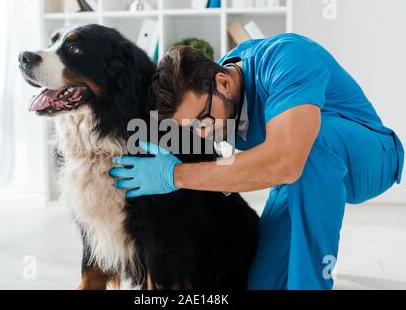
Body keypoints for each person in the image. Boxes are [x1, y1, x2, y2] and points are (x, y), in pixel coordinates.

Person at [109, 33, 404, 289]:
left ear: (223, 82)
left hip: (372, 157)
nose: (201, 133)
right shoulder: (212, 100)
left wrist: (175, 175)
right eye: (189, 128)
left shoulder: (287, 59)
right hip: (297, 177)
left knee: (309, 146)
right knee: (262, 282)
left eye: (201, 120)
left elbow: (286, 162)